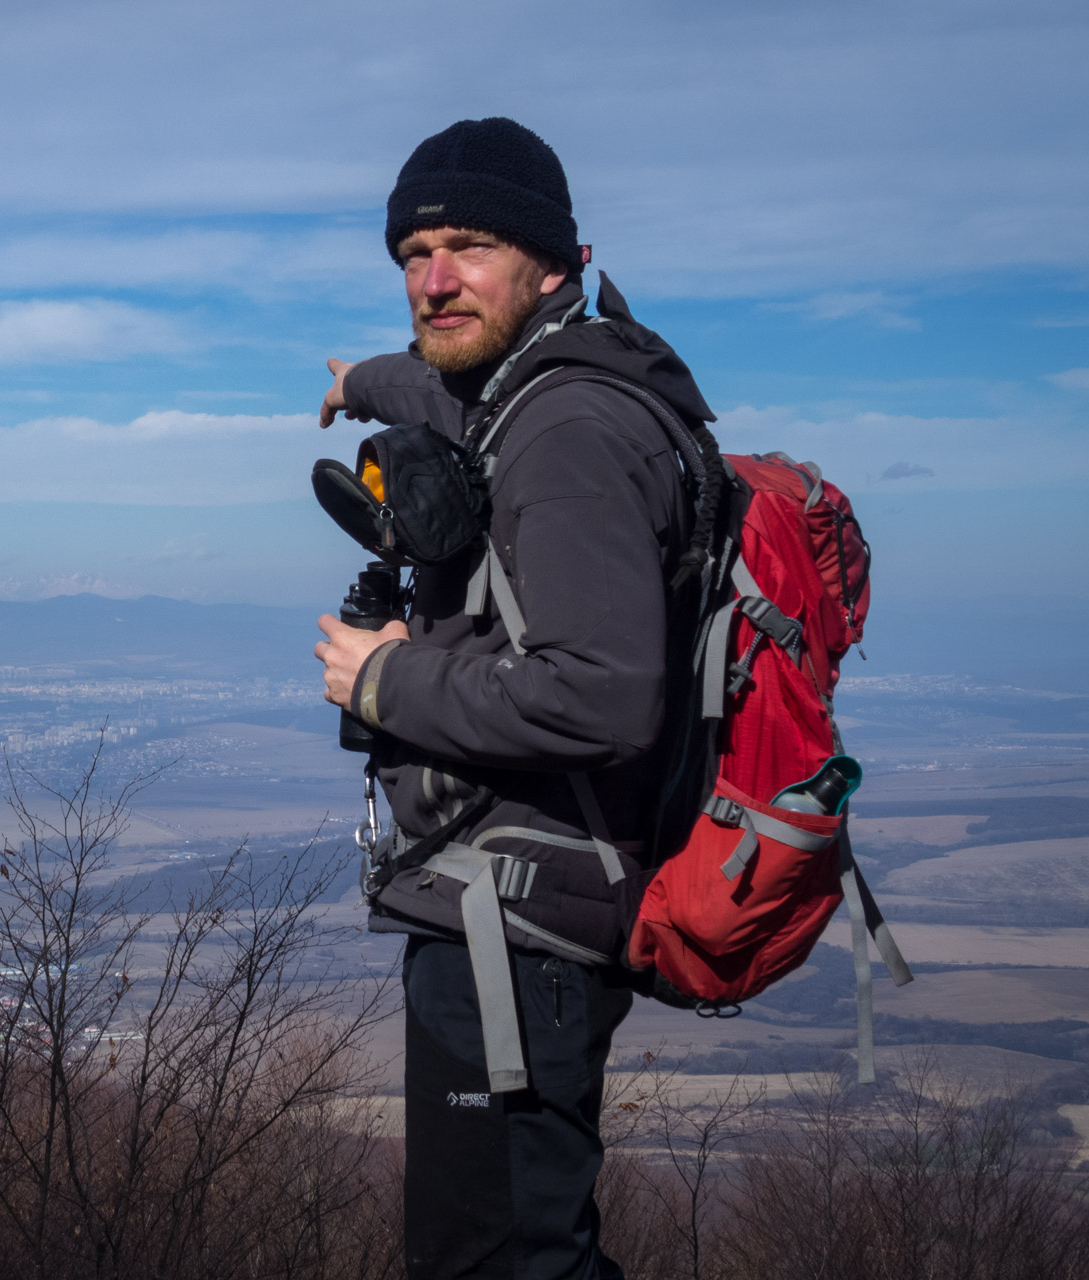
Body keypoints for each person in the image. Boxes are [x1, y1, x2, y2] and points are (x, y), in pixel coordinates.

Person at [311, 118, 716, 1279]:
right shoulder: (538, 388)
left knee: (500, 1262)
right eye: (412, 253)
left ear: (554, 264)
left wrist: (384, 676)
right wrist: (364, 383)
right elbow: (450, 389)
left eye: (469, 246)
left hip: (517, 920)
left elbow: (602, 694)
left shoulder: (568, 431)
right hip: (513, 908)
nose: (433, 280)